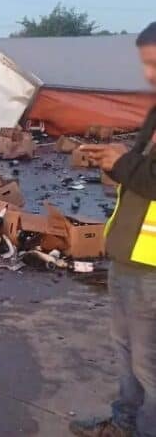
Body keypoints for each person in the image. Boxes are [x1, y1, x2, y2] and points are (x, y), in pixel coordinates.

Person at [70, 22, 156, 437]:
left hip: (152, 266)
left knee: (148, 362)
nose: (150, 75)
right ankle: (123, 425)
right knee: (126, 354)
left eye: (155, 64)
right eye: (146, 65)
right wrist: (112, 160)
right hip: (129, 254)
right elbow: (141, 175)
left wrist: (121, 161)